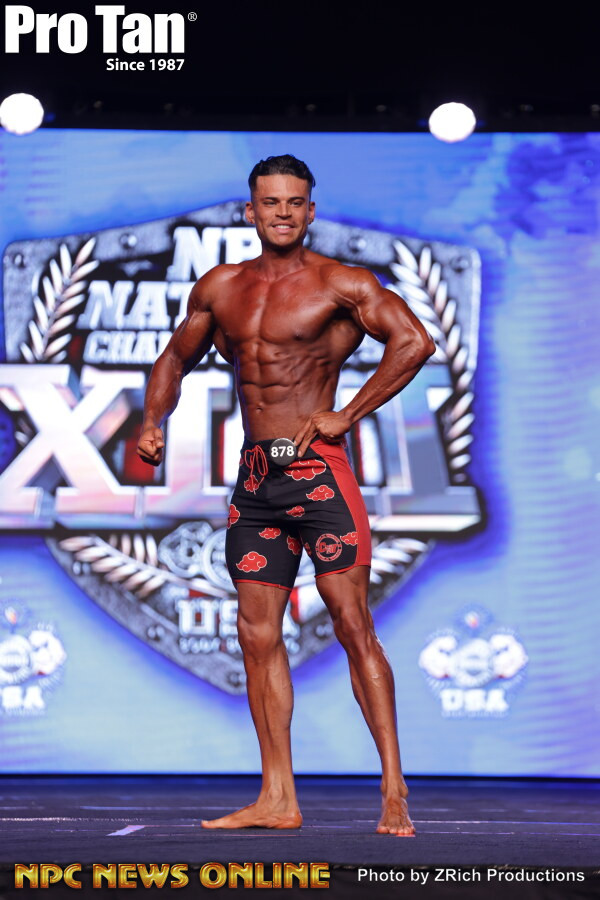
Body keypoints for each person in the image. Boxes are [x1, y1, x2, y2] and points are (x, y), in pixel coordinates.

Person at [137, 154, 435, 836]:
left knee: (352, 623)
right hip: (256, 484)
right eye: (270, 202)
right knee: (255, 634)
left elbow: (414, 341)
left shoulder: (340, 283)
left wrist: (347, 413)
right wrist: (154, 420)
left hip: (320, 478)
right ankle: (277, 797)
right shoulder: (221, 287)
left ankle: (394, 788)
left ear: (310, 210)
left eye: (294, 202)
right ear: (250, 211)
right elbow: (175, 357)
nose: (282, 212)